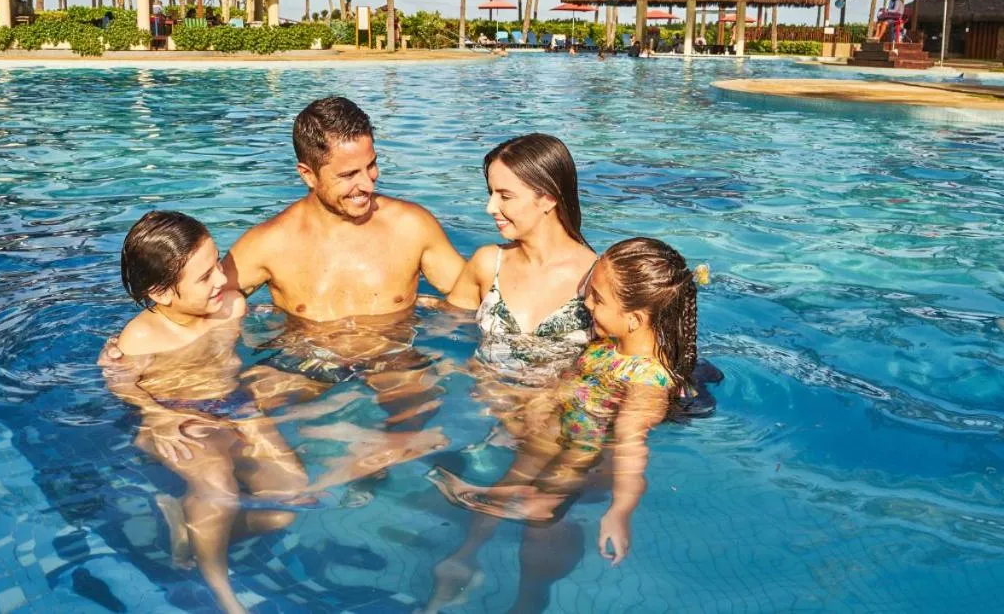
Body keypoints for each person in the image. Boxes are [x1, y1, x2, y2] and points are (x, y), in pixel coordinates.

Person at [105, 211, 443, 613]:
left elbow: (269, 337)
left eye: (218, 263)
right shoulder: (142, 337)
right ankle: (224, 595)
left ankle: (191, 524)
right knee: (218, 487)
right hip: (180, 418)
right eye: (205, 276)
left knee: (288, 501)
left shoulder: (231, 308)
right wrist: (154, 414)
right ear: (161, 293)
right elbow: (121, 384)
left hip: (236, 406)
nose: (221, 278)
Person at [102, 98, 465, 422]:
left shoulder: (411, 226)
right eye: (348, 175)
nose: (368, 184)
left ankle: (363, 460)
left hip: (395, 359)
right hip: (304, 364)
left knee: (418, 427)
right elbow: (193, 299)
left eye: (371, 166)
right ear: (307, 174)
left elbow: (475, 295)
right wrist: (131, 350)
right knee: (220, 419)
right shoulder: (269, 243)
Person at [424, 237, 699, 612]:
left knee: (544, 500)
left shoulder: (648, 380)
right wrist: (533, 404)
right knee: (508, 480)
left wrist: (619, 512)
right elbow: (568, 385)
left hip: (583, 451)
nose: (586, 304)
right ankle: (465, 558)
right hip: (555, 432)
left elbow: (631, 447)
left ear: (635, 319)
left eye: (597, 299)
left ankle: (537, 517)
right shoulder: (605, 347)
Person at [446, 134, 597, 387]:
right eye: (491, 193)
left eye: (505, 197)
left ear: (548, 199)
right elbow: (445, 327)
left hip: (557, 408)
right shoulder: (488, 263)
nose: (490, 207)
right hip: (485, 401)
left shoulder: (597, 277)